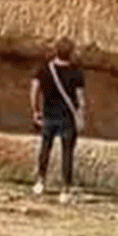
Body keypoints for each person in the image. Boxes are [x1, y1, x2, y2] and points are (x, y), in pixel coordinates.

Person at [29, 37, 87, 204]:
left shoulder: (44, 69)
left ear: (56, 51)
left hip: (48, 115)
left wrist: (35, 111)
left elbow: (34, 90)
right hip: (67, 118)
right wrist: (81, 117)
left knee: (45, 149)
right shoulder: (76, 72)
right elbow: (80, 98)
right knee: (67, 153)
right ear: (71, 53)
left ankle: (40, 182)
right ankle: (65, 190)